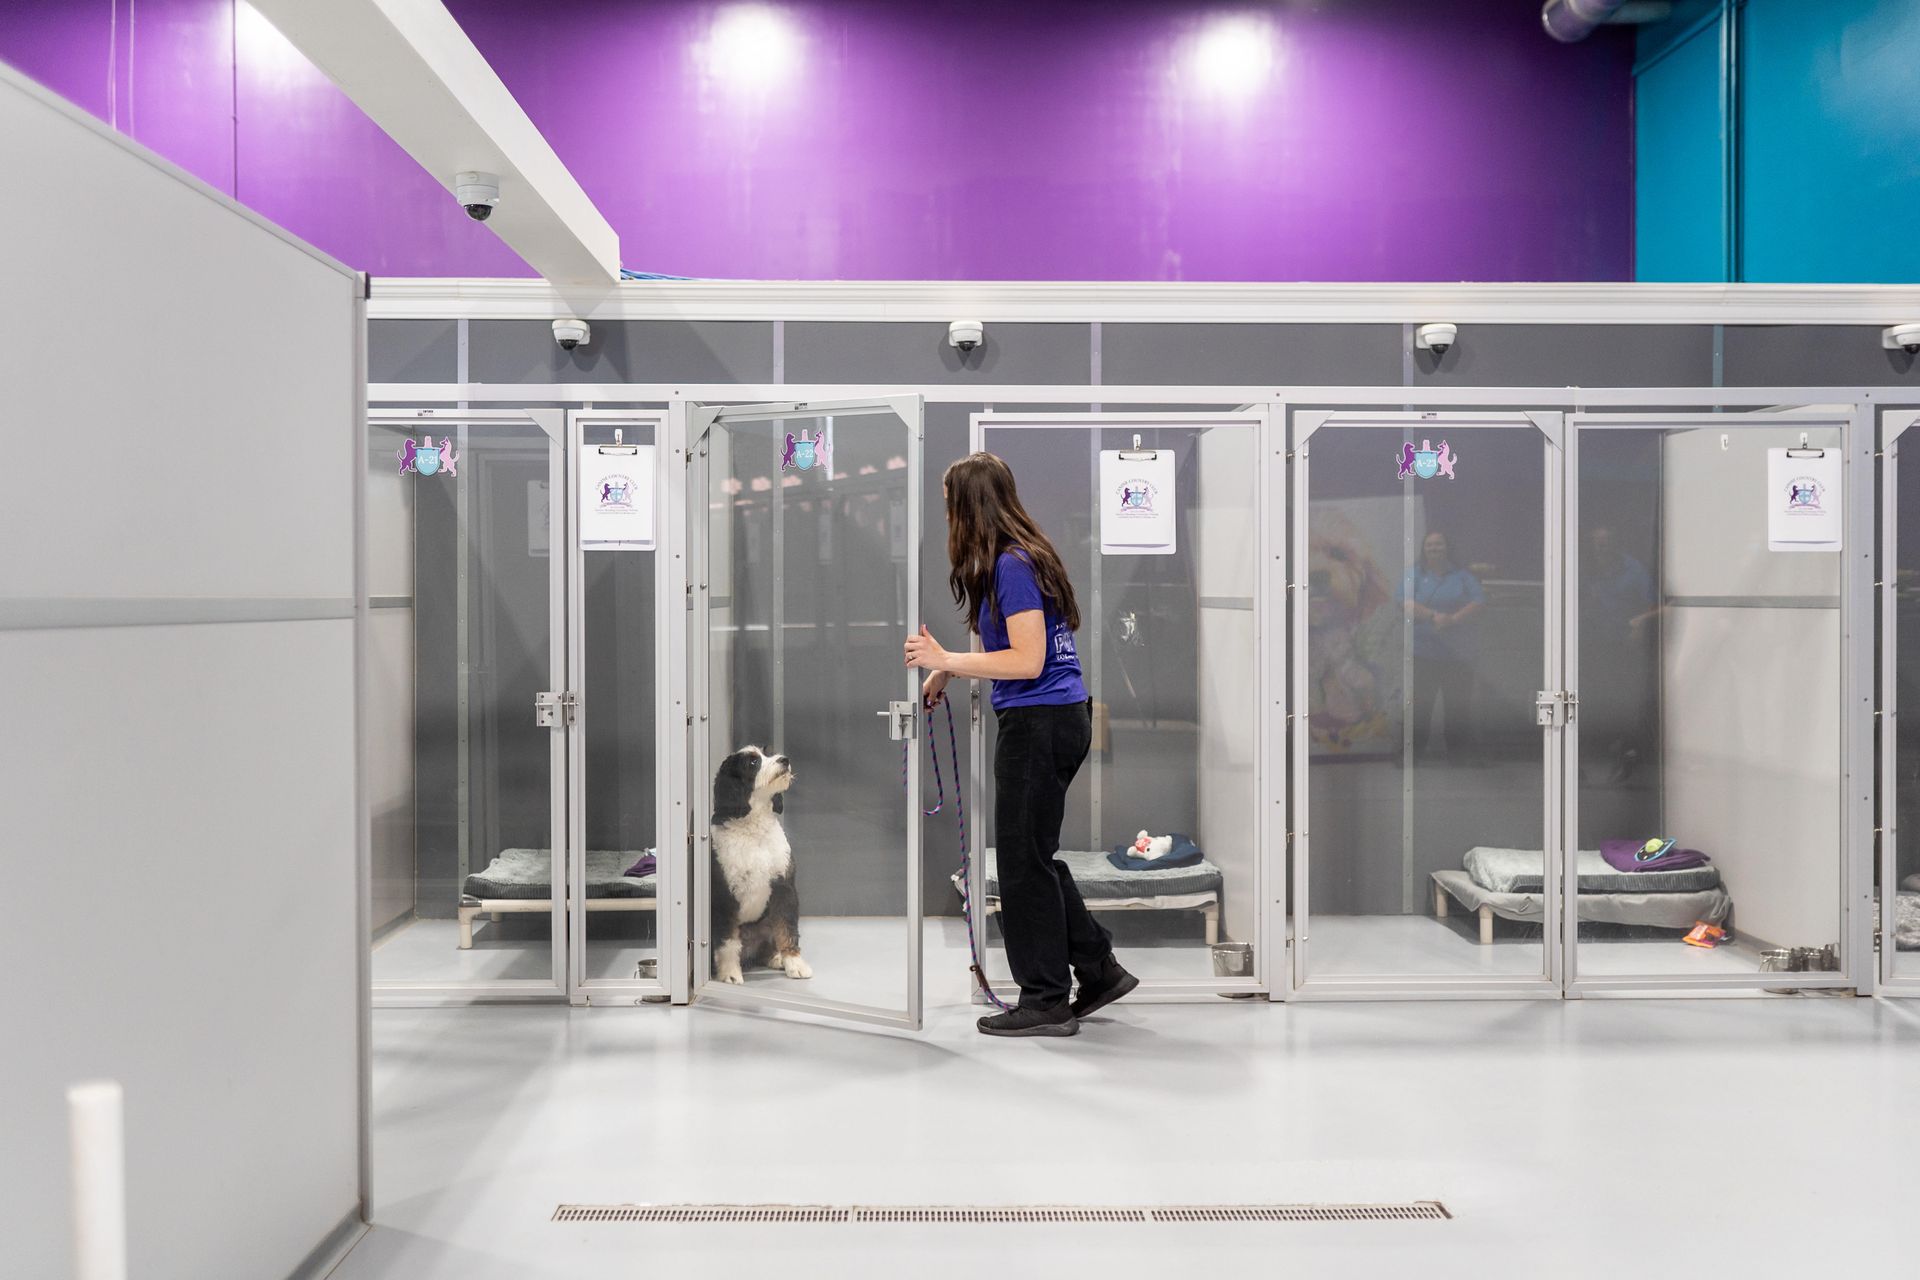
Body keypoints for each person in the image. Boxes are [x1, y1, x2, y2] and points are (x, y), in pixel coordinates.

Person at [904, 452, 1137, 1037]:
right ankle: (1099, 969)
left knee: (1020, 864)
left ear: (970, 502)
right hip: (1053, 718)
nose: (946, 508)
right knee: (1035, 857)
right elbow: (1011, 644)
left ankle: (1045, 1000)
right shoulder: (1017, 556)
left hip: (1039, 723)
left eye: (949, 497)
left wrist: (945, 658)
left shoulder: (1011, 563)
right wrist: (949, 672)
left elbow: (1028, 660)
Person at [1399, 530, 1485, 759]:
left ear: (1447, 548)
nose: (1434, 548)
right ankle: (1411, 757)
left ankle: (1459, 756)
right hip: (1423, 655)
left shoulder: (1463, 575)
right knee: (1419, 708)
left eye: (1438, 544)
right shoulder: (1413, 574)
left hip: (1459, 657)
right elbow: (1404, 602)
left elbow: (1479, 601)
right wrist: (1434, 616)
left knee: (1458, 710)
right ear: (1423, 548)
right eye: (1429, 545)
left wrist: (1453, 620)